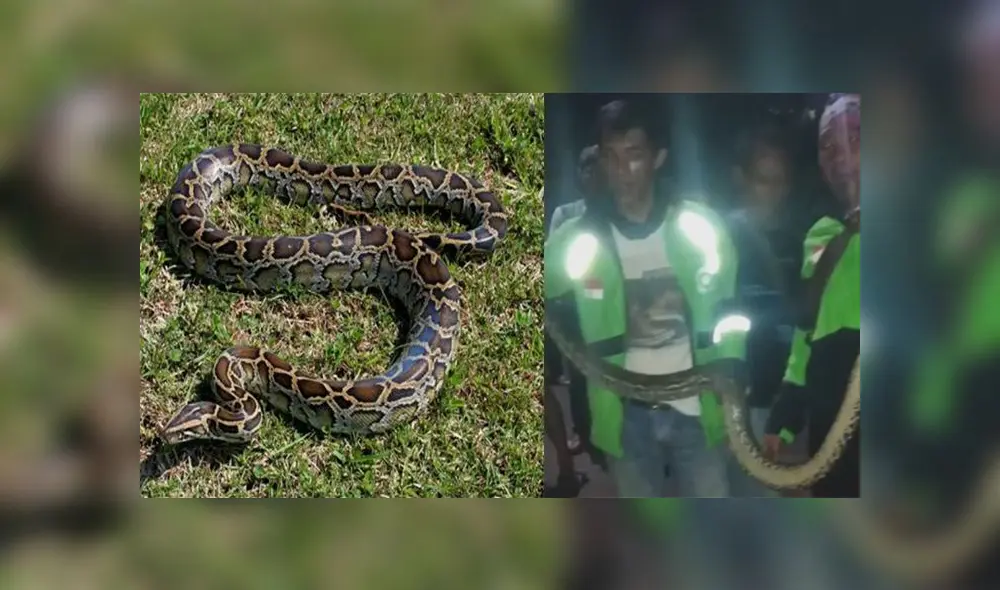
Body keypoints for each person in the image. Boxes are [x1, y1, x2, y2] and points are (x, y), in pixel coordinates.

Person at [545, 98, 747, 497]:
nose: (621, 170)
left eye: (634, 154)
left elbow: (730, 310)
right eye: (610, 156)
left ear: (658, 158)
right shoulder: (577, 239)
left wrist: (733, 368)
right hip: (623, 417)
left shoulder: (700, 227)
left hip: (698, 409)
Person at [763, 93, 861, 498]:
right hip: (830, 427)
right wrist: (784, 415)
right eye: (828, 146)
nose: (841, 157)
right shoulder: (820, 234)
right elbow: (807, 333)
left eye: (855, 139)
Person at [724, 124, 812, 496]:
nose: (775, 192)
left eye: (782, 181)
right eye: (764, 180)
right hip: (741, 400)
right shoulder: (719, 237)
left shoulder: (804, 238)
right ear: (740, 178)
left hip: (790, 399)